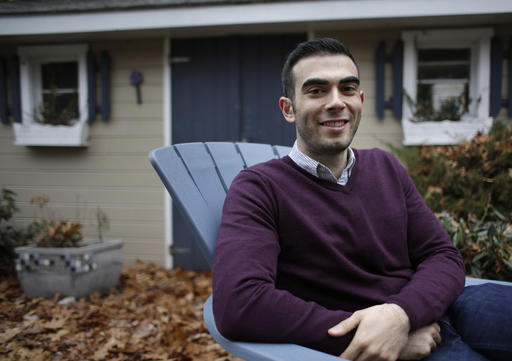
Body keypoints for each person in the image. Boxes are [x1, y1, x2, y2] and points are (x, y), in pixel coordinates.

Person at [212, 38, 512, 361]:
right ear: (288, 109)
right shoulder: (259, 188)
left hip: (440, 307)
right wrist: (374, 338)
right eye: (317, 91)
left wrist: (401, 315)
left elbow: (442, 255)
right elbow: (239, 303)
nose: (336, 102)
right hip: (387, 345)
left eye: (348, 88)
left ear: (361, 99)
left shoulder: (386, 168)